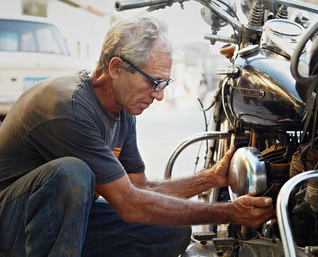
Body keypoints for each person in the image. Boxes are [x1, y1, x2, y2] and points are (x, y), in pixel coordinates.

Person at [0, 15, 275, 257]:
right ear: (116, 68)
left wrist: (211, 178)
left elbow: (140, 191)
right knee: (73, 173)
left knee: (169, 232)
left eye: (164, 83)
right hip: (10, 220)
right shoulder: (68, 107)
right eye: (153, 82)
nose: (159, 95)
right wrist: (227, 211)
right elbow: (131, 205)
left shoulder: (123, 110)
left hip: (57, 222)